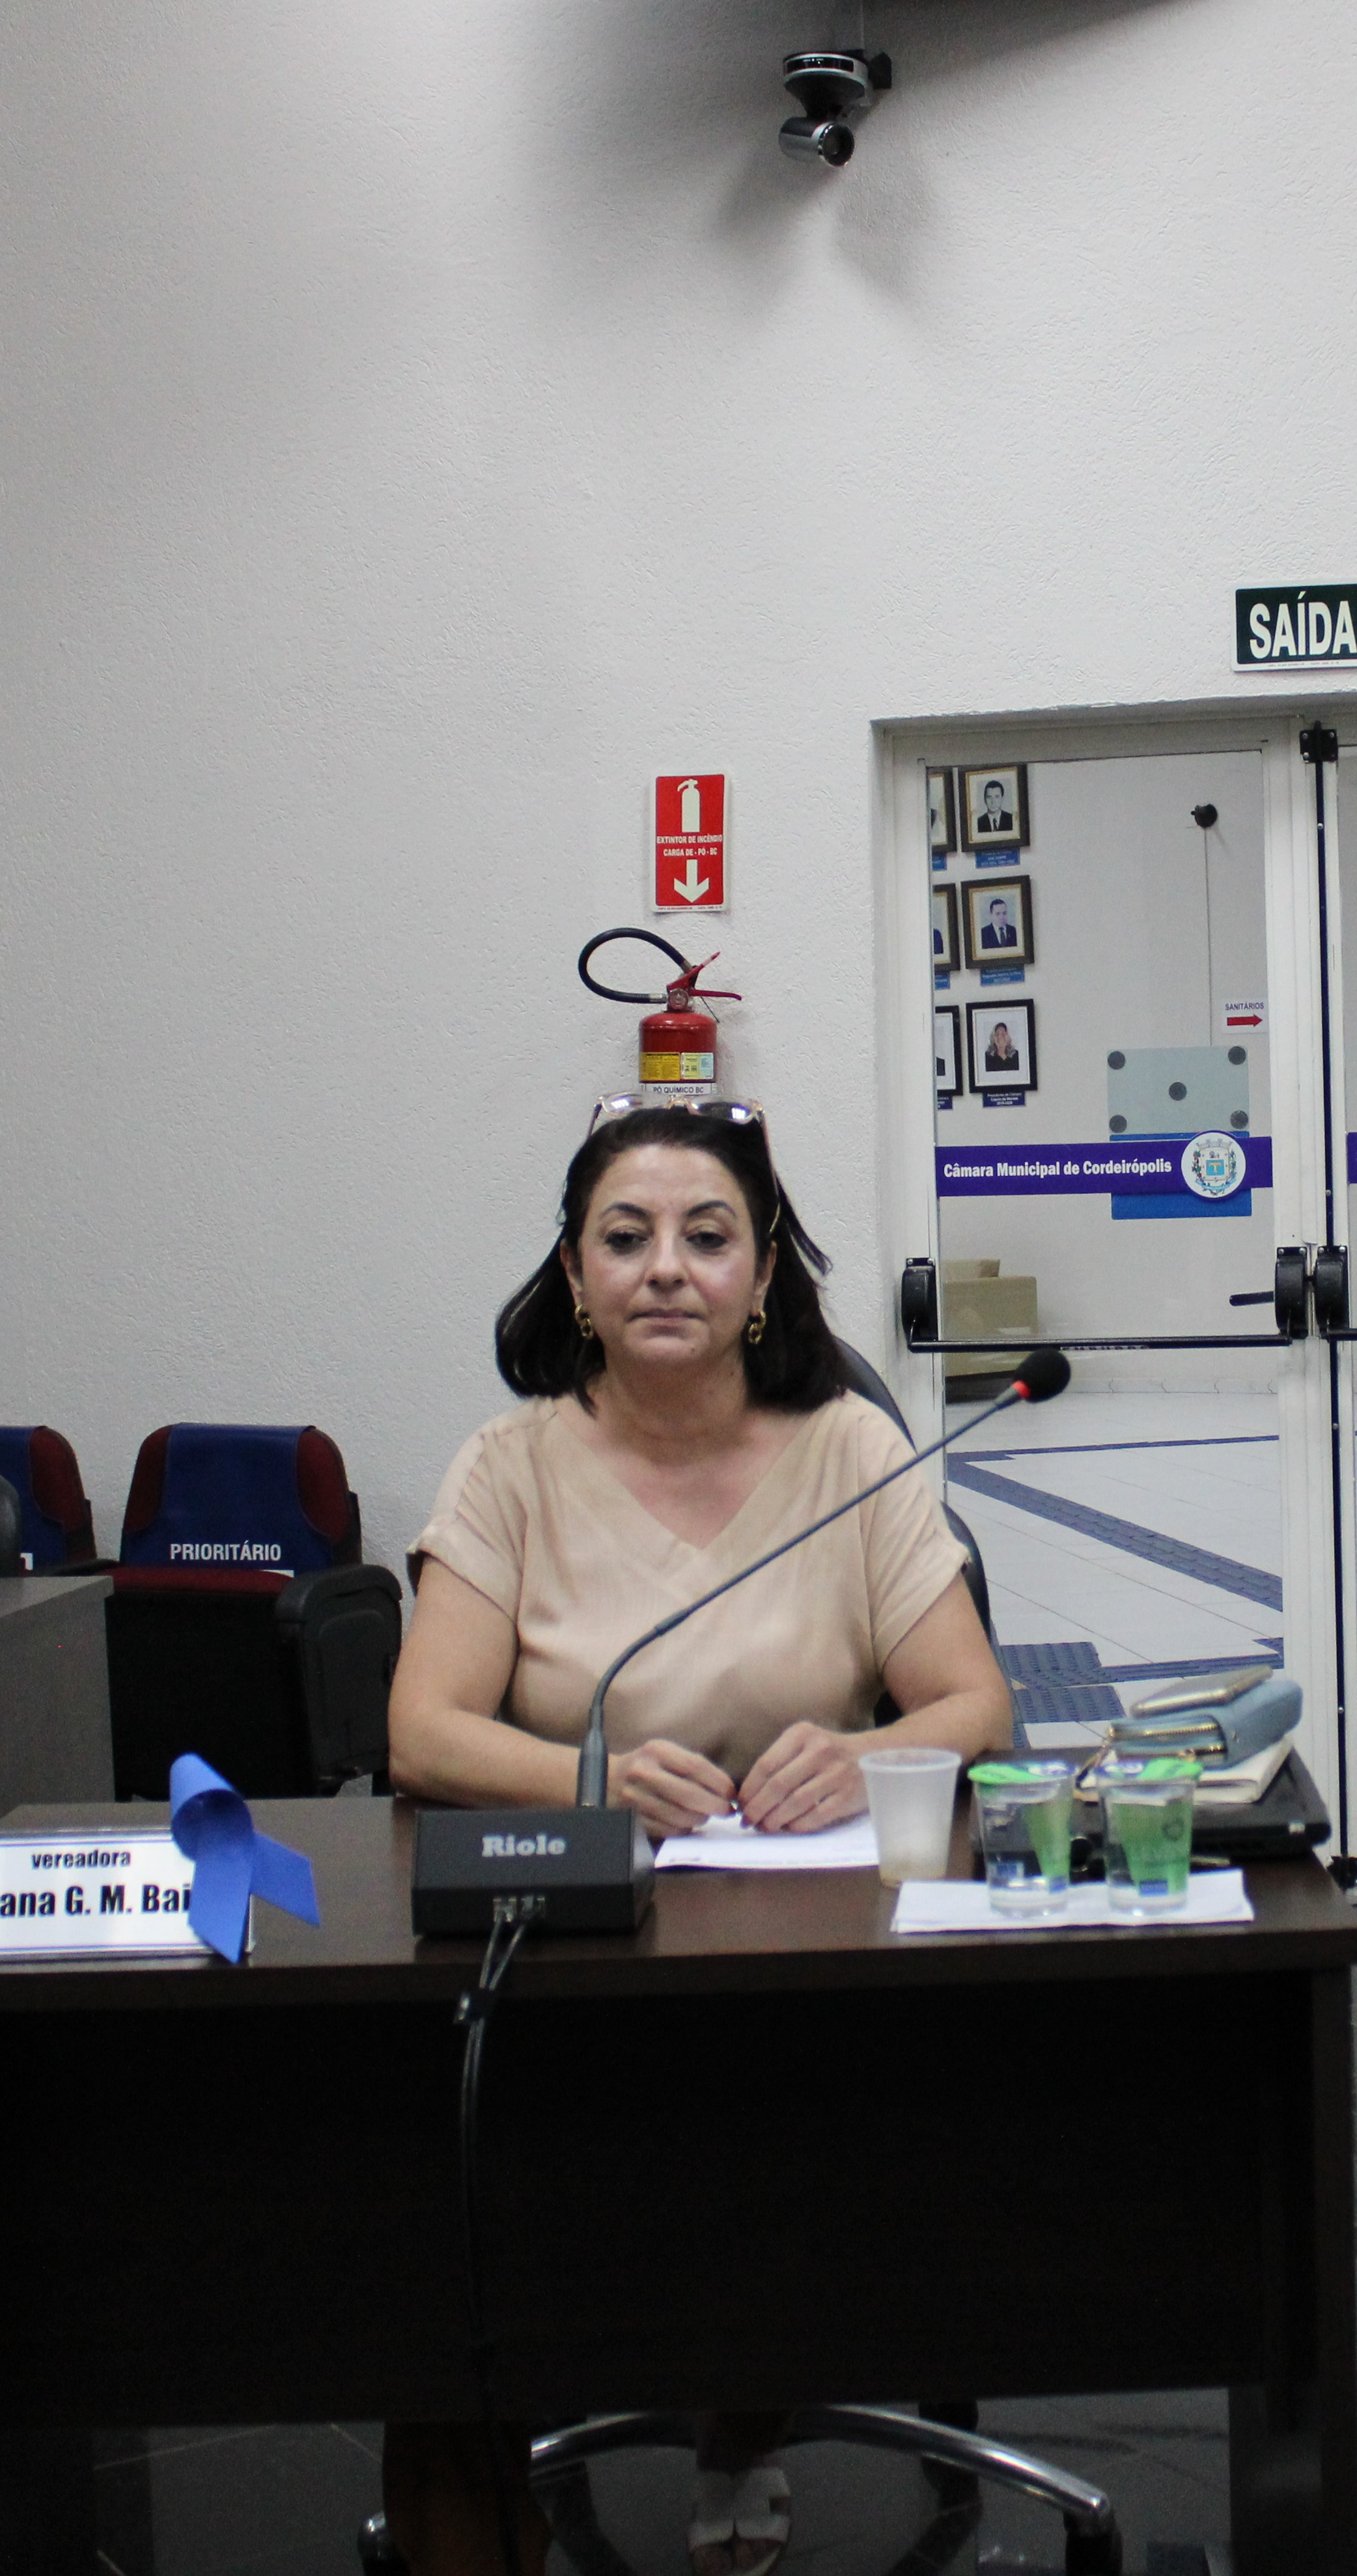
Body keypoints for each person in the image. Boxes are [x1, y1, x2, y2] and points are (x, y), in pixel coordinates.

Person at [381, 1101, 1014, 2576]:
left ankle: (746, 2408)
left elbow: (975, 1702)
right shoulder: (508, 1465)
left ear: (766, 1272)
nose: (667, 1266)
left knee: (779, 2181)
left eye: (708, 1235)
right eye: (627, 1236)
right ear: (576, 1276)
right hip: (565, 1971)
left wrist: (859, 1758)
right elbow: (420, 1732)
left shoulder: (851, 1448)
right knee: (444, 2244)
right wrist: (584, 1781)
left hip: (806, 1968)